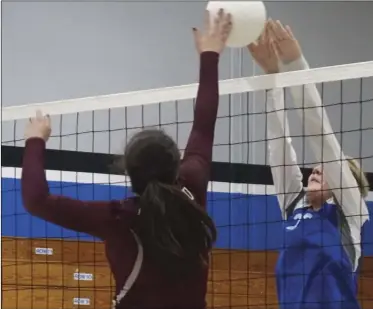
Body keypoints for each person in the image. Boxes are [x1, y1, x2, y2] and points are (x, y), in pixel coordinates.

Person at [21, 9, 232, 309]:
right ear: (176, 164)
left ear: (130, 172)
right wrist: (210, 55)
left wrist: (35, 139)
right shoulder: (192, 187)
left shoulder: (118, 218)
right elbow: (203, 125)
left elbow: (35, 200)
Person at [248, 20, 370, 309]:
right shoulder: (293, 203)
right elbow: (278, 145)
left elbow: (322, 136)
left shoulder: (350, 213)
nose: (316, 169)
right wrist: (272, 79)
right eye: (315, 167)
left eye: (325, 169)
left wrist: (295, 64)